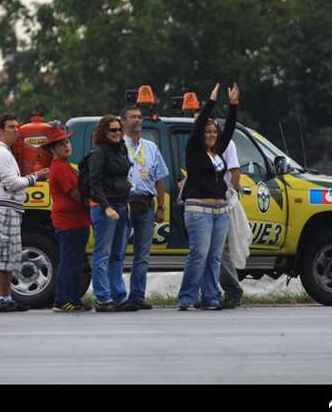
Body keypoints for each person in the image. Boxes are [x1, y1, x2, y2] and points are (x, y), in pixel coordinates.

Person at [0, 113, 50, 313]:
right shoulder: (0, 152)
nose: (16, 130)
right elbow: (11, 184)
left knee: (9, 255)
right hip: (3, 206)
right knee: (1, 255)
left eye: (17, 127)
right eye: (11, 127)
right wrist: (36, 176)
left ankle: (6, 297)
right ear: (0, 130)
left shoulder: (1, 151)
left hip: (8, 206)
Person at [177, 82, 239, 311]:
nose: (212, 135)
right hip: (198, 210)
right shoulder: (194, 151)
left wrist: (233, 104)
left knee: (214, 257)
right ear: (201, 135)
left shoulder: (218, 153)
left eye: (214, 132)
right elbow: (198, 127)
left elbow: (230, 129)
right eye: (208, 132)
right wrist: (211, 102)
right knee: (199, 255)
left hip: (220, 211)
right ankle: (187, 297)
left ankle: (211, 297)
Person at [193, 107, 245, 309]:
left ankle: (232, 290)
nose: (199, 126)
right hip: (198, 204)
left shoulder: (225, 144)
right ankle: (205, 292)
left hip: (221, 202)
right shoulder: (194, 145)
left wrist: (229, 194)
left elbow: (235, 172)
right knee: (199, 251)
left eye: (204, 122)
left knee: (219, 250)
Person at [120, 106, 170, 310]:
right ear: (123, 121)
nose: (137, 120)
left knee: (142, 254)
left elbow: (159, 179)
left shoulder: (151, 147)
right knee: (118, 251)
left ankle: (137, 296)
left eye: (139, 117)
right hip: (124, 204)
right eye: (132, 117)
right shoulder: (118, 145)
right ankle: (117, 295)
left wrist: (161, 206)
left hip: (146, 204)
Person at [41, 124, 92, 313]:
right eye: (61, 144)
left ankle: (72, 299)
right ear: (53, 149)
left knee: (73, 262)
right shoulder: (60, 168)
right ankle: (63, 300)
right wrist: (96, 206)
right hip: (69, 223)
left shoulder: (65, 166)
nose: (66, 146)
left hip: (75, 222)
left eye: (67, 142)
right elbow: (76, 195)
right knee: (70, 262)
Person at [88, 115, 133, 312]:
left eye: (118, 130)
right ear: (104, 133)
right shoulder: (98, 153)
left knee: (118, 255)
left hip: (122, 205)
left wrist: (125, 203)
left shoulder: (122, 148)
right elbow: (94, 183)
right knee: (102, 255)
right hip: (105, 208)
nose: (116, 133)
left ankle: (118, 296)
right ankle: (103, 298)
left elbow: (124, 177)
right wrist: (106, 206)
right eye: (112, 130)